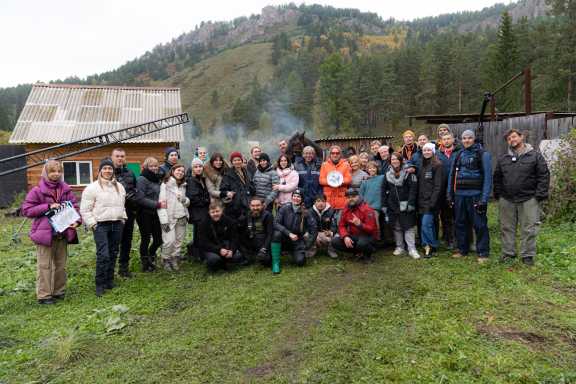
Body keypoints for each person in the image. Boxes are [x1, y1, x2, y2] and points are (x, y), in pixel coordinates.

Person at [22, 160, 81, 304]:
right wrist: (47, 206)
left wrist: (77, 220)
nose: (56, 174)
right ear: (46, 173)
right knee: (45, 266)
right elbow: (27, 210)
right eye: (52, 171)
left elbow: (74, 207)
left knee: (61, 265)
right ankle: (44, 295)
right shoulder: (37, 190)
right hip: (45, 235)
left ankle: (58, 291)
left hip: (62, 233)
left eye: (59, 171)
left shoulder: (65, 189)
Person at [493, 128, 550, 265]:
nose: (512, 140)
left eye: (514, 137)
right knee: (506, 227)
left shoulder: (535, 156)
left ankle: (527, 256)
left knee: (529, 227)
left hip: (529, 198)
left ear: (521, 137)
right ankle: (508, 254)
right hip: (507, 199)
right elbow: (497, 177)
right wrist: (499, 194)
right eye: (509, 139)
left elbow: (544, 175)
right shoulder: (503, 158)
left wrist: (539, 195)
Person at [80, 158, 127, 297]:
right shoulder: (92, 188)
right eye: (105, 168)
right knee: (103, 255)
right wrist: (93, 224)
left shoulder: (119, 187)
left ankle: (109, 280)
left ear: (113, 171)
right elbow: (85, 210)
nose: (108, 171)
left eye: (110, 169)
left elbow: (122, 204)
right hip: (101, 225)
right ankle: (99, 284)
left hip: (117, 223)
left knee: (113, 252)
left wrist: (123, 218)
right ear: (100, 170)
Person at [447, 129, 492, 263]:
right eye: (464, 138)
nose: (466, 140)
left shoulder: (482, 154)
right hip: (459, 196)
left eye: (469, 138)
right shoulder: (459, 154)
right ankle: (462, 249)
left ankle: (483, 252)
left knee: (479, 225)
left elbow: (488, 178)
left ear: (474, 139)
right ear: (461, 140)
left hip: (475, 196)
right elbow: (451, 176)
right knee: (460, 224)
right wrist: (449, 195)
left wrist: (484, 199)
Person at [382, 153, 420, 259]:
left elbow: (413, 189)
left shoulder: (408, 172)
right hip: (392, 205)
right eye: (392, 159)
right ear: (390, 161)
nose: (395, 161)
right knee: (397, 226)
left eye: (396, 159)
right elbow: (383, 190)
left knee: (408, 226)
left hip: (406, 204)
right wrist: (384, 204)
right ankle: (400, 247)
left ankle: (412, 249)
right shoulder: (387, 175)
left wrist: (411, 203)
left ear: (401, 160)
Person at [110, 148, 138, 278]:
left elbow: (136, 190)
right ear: (112, 157)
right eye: (117, 156)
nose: (120, 158)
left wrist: (132, 199)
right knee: (114, 242)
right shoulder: (106, 172)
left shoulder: (130, 173)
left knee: (127, 241)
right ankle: (110, 269)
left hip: (129, 212)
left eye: (122, 156)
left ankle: (123, 268)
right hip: (113, 213)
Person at [135, 157, 165, 272]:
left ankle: (151, 255)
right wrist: (157, 204)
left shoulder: (157, 179)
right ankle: (145, 264)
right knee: (146, 239)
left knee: (158, 239)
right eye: (151, 166)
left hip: (156, 214)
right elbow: (140, 198)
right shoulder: (142, 179)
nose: (154, 168)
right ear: (146, 167)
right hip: (144, 214)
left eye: (156, 166)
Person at [331, 188, 378, 263]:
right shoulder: (346, 209)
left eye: (353, 197)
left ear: (358, 196)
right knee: (334, 241)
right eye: (348, 197)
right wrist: (345, 236)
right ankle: (357, 252)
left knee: (361, 244)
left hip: (368, 236)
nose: (350, 199)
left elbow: (371, 229)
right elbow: (341, 225)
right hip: (354, 236)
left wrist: (360, 225)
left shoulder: (367, 209)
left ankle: (368, 254)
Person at [158, 164, 190, 271]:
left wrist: (185, 200)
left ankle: (174, 258)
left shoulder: (184, 185)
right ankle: (165, 259)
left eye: (182, 171)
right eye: (178, 170)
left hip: (182, 217)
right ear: (172, 171)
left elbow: (187, 202)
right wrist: (163, 220)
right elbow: (161, 203)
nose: (180, 172)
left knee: (178, 241)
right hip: (169, 218)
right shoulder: (165, 184)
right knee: (169, 241)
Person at [272, 189, 316, 267]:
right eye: (294, 196)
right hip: (284, 238)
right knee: (276, 234)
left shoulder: (306, 212)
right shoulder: (284, 208)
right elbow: (275, 223)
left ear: (302, 199)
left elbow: (314, 229)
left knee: (300, 262)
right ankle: (276, 263)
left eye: (298, 197)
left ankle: (294, 253)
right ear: (292, 197)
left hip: (297, 241)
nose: (296, 198)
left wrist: (307, 245)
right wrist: (289, 233)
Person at [198, 201, 244, 272]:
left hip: (226, 247)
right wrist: (219, 250)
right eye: (213, 212)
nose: (215, 214)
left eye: (217, 211)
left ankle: (224, 262)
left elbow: (234, 238)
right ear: (209, 213)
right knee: (214, 260)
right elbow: (203, 243)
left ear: (222, 211)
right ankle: (216, 263)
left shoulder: (229, 221)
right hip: (211, 249)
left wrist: (232, 250)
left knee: (238, 256)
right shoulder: (203, 224)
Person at [417, 143, 444, 258]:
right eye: (424, 150)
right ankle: (433, 245)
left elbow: (438, 186)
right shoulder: (421, 165)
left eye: (428, 150)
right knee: (429, 225)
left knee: (425, 224)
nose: (426, 152)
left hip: (431, 201)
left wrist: (433, 201)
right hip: (421, 201)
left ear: (433, 151)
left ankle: (428, 245)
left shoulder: (437, 165)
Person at [436, 132, 459, 248]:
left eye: (448, 138)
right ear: (441, 141)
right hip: (443, 190)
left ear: (453, 139)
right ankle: (448, 239)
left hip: (457, 189)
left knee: (458, 215)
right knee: (445, 216)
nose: (446, 141)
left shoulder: (459, 152)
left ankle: (459, 239)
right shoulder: (437, 154)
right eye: (444, 139)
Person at [186, 158, 211, 262]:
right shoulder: (191, 180)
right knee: (200, 235)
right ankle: (201, 255)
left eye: (200, 166)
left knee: (200, 233)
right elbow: (193, 198)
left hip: (203, 211)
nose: (198, 168)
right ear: (193, 169)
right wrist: (206, 200)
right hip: (197, 212)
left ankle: (198, 254)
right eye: (196, 167)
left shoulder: (202, 179)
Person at [219, 152, 255, 222]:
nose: (237, 162)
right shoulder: (228, 175)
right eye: (234, 160)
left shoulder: (247, 172)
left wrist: (251, 190)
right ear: (232, 162)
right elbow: (222, 190)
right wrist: (228, 193)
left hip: (247, 206)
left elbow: (251, 186)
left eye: (239, 160)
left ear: (241, 161)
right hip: (235, 208)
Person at [239, 197, 275, 265]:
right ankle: (248, 256)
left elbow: (270, 234)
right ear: (249, 206)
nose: (255, 208)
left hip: (263, 243)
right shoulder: (247, 214)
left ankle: (259, 254)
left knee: (266, 261)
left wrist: (264, 248)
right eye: (253, 206)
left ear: (262, 205)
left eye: (258, 205)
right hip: (251, 242)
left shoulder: (268, 215)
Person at [319, 145, 352, 211]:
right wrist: (331, 181)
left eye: (337, 153)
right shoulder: (324, 165)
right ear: (330, 154)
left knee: (340, 220)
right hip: (328, 199)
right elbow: (321, 180)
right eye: (333, 153)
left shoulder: (346, 165)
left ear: (340, 154)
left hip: (341, 199)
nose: (335, 155)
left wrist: (340, 181)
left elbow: (348, 179)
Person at [306, 194, 338, 258]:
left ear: (326, 202)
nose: (321, 203)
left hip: (325, 233)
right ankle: (311, 250)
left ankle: (331, 250)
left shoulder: (331, 211)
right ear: (314, 202)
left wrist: (331, 232)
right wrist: (315, 235)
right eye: (318, 201)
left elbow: (334, 225)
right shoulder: (309, 211)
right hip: (314, 233)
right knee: (306, 235)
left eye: (323, 201)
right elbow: (307, 226)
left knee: (336, 236)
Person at [360, 161, 385, 235]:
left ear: (377, 169)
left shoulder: (382, 178)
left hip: (376, 206)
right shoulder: (365, 181)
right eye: (370, 168)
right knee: (366, 224)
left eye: (374, 168)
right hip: (366, 206)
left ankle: (377, 238)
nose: (372, 170)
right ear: (367, 170)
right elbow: (361, 194)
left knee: (375, 222)